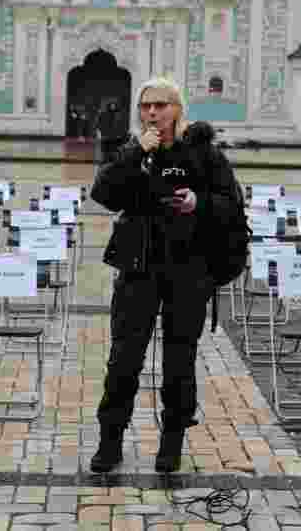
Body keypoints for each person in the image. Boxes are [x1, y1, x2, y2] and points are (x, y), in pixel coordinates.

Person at [89, 77, 238, 474]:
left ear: (177, 108)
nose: (152, 113)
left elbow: (231, 203)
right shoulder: (132, 150)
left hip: (188, 269)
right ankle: (110, 439)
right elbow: (103, 193)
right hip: (138, 267)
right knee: (124, 358)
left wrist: (198, 201)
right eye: (146, 106)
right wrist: (135, 152)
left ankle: (172, 441)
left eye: (161, 105)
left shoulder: (203, 153)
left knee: (179, 360)